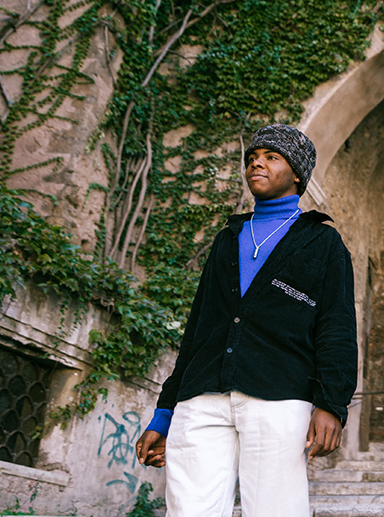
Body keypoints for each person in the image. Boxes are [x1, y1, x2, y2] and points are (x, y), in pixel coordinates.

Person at [134, 123, 358, 517]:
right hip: (201, 397)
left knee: (276, 510)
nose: (257, 164)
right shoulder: (227, 238)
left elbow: (336, 328)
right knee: (189, 511)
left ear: (297, 174)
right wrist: (165, 412)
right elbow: (197, 329)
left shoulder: (322, 243)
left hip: (279, 397)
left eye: (272, 157)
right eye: (252, 158)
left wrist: (331, 404)